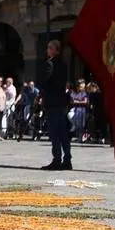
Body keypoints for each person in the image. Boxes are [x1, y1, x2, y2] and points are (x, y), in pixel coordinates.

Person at [39, 40, 71, 170]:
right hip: (61, 102)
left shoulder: (50, 64)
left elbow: (44, 82)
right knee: (63, 132)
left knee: (55, 132)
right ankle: (67, 159)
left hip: (52, 103)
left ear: (55, 50)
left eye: (50, 48)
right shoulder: (63, 65)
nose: (48, 50)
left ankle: (57, 159)